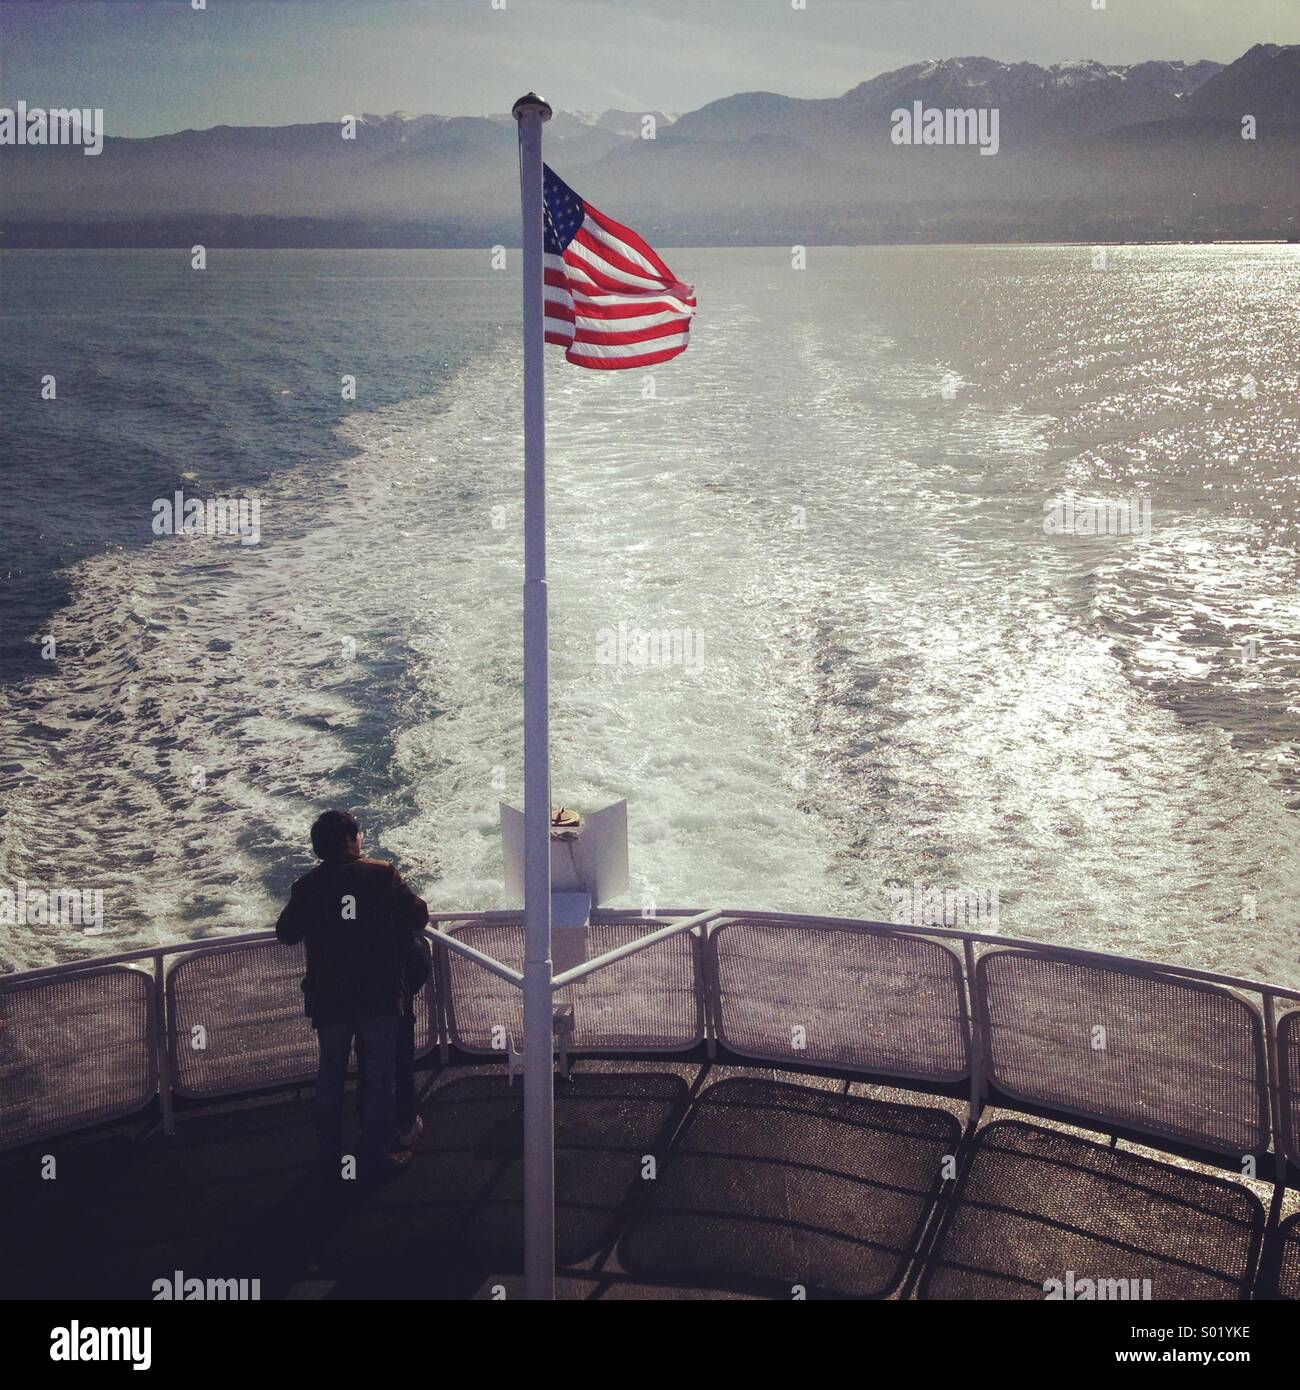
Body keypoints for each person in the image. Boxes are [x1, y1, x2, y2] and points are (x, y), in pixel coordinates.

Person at [276, 809, 429, 1180]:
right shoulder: (381, 874)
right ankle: (373, 1153)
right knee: (379, 1075)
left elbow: (287, 932)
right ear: (349, 839)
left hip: (330, 997)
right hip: (378, 994)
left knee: (330, 1073)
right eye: (357, 834)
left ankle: (330, 1153)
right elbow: (418, 916)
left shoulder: (309, 885)